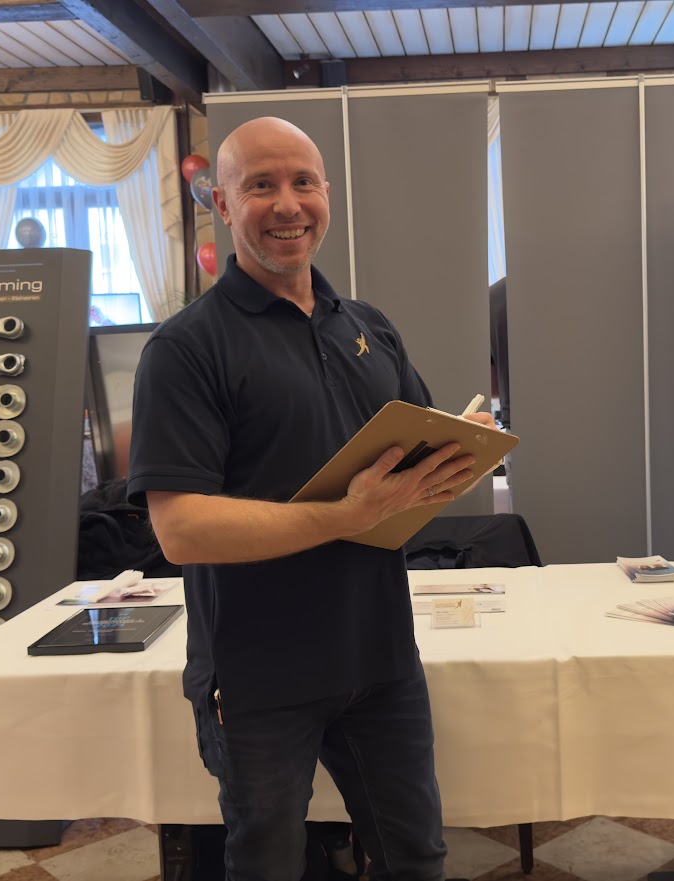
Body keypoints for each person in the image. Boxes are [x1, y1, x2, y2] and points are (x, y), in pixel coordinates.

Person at [126, 117, 492, 881]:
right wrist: (347, 516)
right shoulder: (186, 349)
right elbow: (181, 529)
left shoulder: (368, 327)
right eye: (260, 185)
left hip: (380, 658)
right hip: (257, 675)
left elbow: (407, 473)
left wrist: (458, 455)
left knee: (416, 859)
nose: (287, 204)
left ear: (327, 193)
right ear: (222, 205)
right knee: (268, 866)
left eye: (302, 182)